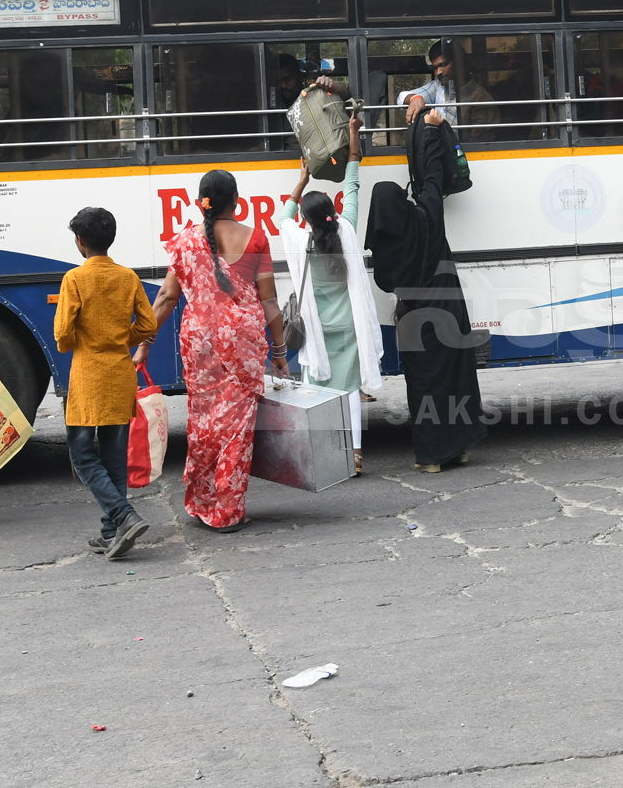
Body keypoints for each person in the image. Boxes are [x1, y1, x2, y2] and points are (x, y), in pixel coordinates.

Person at [133, 170, 288, 532]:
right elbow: (269, 301)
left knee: (203, 422)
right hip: (243, 345)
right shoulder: (255, 239)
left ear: (199, 201)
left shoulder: (185, 242)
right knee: (235, 429)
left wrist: (144, 344)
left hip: (199, 343)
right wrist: (280, 351)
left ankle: (201, 502)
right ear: (236, 200)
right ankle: (227, 512)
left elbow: (166, 297)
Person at [365, 108, 486, 472]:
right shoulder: (427, 217)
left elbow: (385, 282)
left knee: (425, 385)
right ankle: (459, 448)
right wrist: (430, 132)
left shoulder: (386, 248)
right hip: (449, 309)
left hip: (415, 320)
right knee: (455, 377)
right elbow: (433, 178)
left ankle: (432, 457)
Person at [280, 114, 383, 475]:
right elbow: (352, 182)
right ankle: (355, 455)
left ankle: (324, 457)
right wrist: (353, 136)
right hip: (349, 328)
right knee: (351, 390)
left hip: (318, 331)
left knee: (318, 391)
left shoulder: (301, 241)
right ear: (332, 212)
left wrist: (301, 180)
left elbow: (283, 218)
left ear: (307, 220)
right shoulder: (347, 231)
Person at [55, 207, 158, 559]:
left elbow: (63, 332)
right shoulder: (128, 277)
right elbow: (148, 325)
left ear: (80, 242)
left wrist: (73, 344)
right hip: (119, 372)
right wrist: (121, 340)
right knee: (114, 456)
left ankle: (123, 516)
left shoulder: (74, 279)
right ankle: (111, 532)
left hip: (88, 375)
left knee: (82, 453)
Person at [397, 40, 500, 142]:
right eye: (435, 68)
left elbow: (480, 144)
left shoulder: (481, 98)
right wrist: (415, 98)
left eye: (444, 64)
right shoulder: (438, 86)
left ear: (459, 63)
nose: (438, 72)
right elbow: (402, 97)